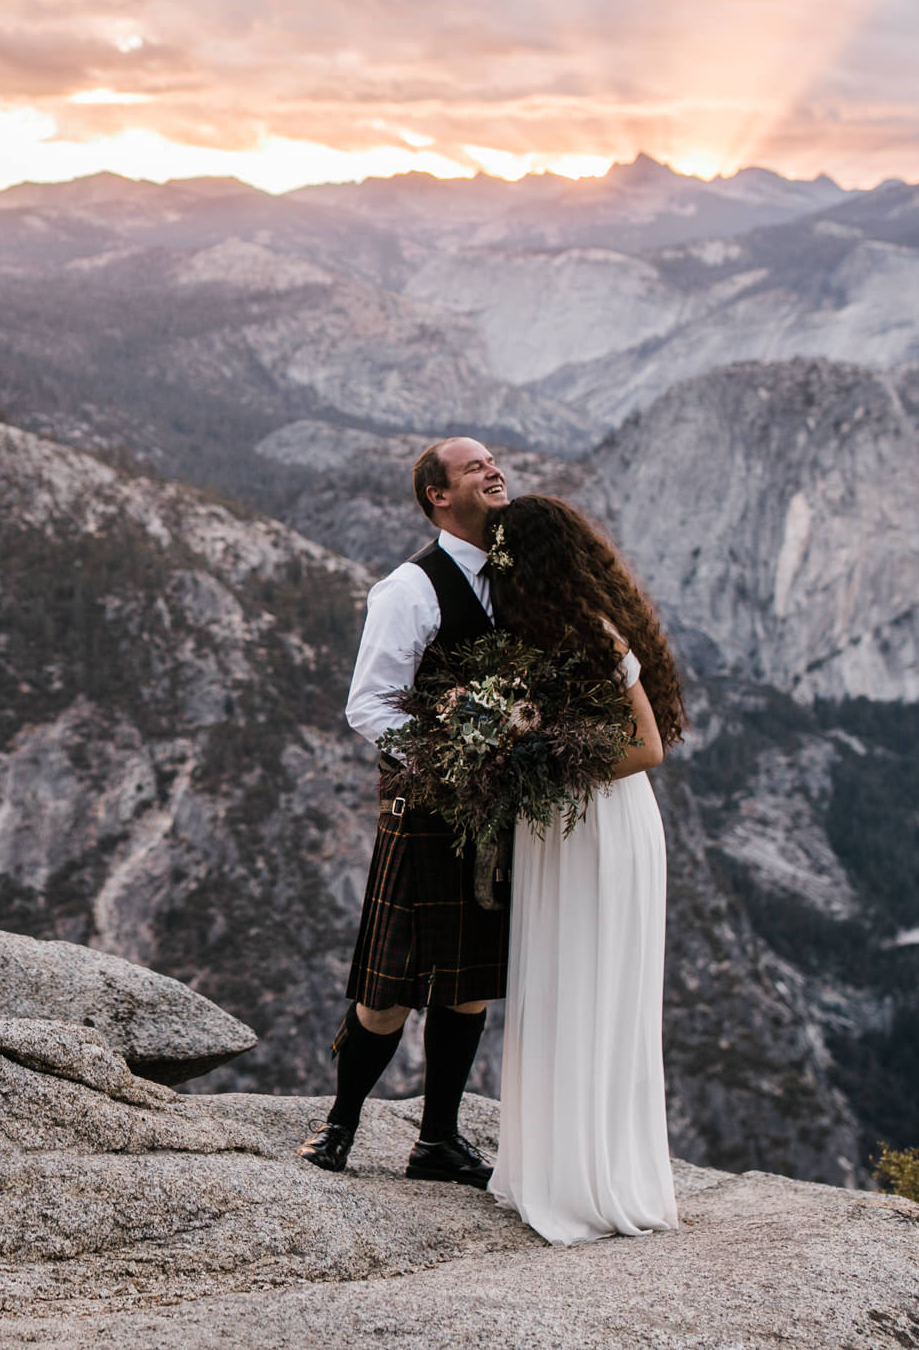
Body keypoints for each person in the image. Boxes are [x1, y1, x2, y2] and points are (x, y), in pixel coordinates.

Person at [296, 437, 510, 1188]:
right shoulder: (410, 589)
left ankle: (437, 1140)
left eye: (494, 460)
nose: (493, 468)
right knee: (386, 988)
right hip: (424, 804)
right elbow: (368, 704)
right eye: (473, 465)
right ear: (438, 497)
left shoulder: (515, 576)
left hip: (490, 811)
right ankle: (340, 1123)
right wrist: (457, 747)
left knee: (469, 980)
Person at [484, 493, 690, 1242]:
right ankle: (549, 1161)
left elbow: (645, 746)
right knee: (555, 978)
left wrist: (552, 760)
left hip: (603, 824)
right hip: (557, 828)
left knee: (595, 983)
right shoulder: (536, 629)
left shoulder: (593, 633)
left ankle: (597, 1176)